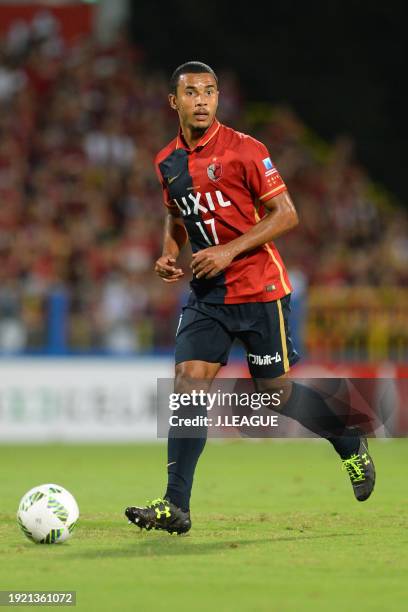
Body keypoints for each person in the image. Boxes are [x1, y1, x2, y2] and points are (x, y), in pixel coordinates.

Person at [125, 62, 375, 535]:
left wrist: (229, 250)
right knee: (188, 384)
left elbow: (287, 215)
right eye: (191, 92)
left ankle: (346, 437)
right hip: (206, 294)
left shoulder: (245, 150)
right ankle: (175, 506)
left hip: (259, 288)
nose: (201, 99)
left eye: (210, 91)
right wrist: (167, 251)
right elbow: (178, 215)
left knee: (273, 393)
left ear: (218, 99)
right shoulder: (167, 162)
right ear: (173, 102)